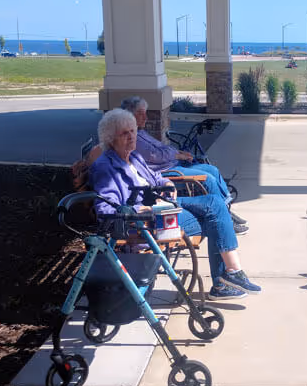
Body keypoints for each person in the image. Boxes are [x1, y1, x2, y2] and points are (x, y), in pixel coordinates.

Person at [90, 109, 261, 300]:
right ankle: (228, 277)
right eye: (124, 133)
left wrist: (168, 184)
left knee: (215, 204)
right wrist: (143, 210)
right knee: (215, 219)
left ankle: (228, 276)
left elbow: (156, 178)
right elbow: (106, 210)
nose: (131, 136)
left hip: (163, 206)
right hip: (147, 222)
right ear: (110, 138)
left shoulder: (134, 157)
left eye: (132, 131)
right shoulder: (105, 167)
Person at [119, 96, 248, 233]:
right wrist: (176, 154)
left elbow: (162, 149)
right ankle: (226, 219)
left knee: (212, 170)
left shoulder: (141, 133)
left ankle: (225, 209)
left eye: (145, 112)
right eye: (140, 113)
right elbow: (156, 155)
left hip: (174, 165)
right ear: (129, 116)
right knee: (208, 179)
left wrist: (176, 152)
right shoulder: (134, 138)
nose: (145, 117)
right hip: (168, 170)